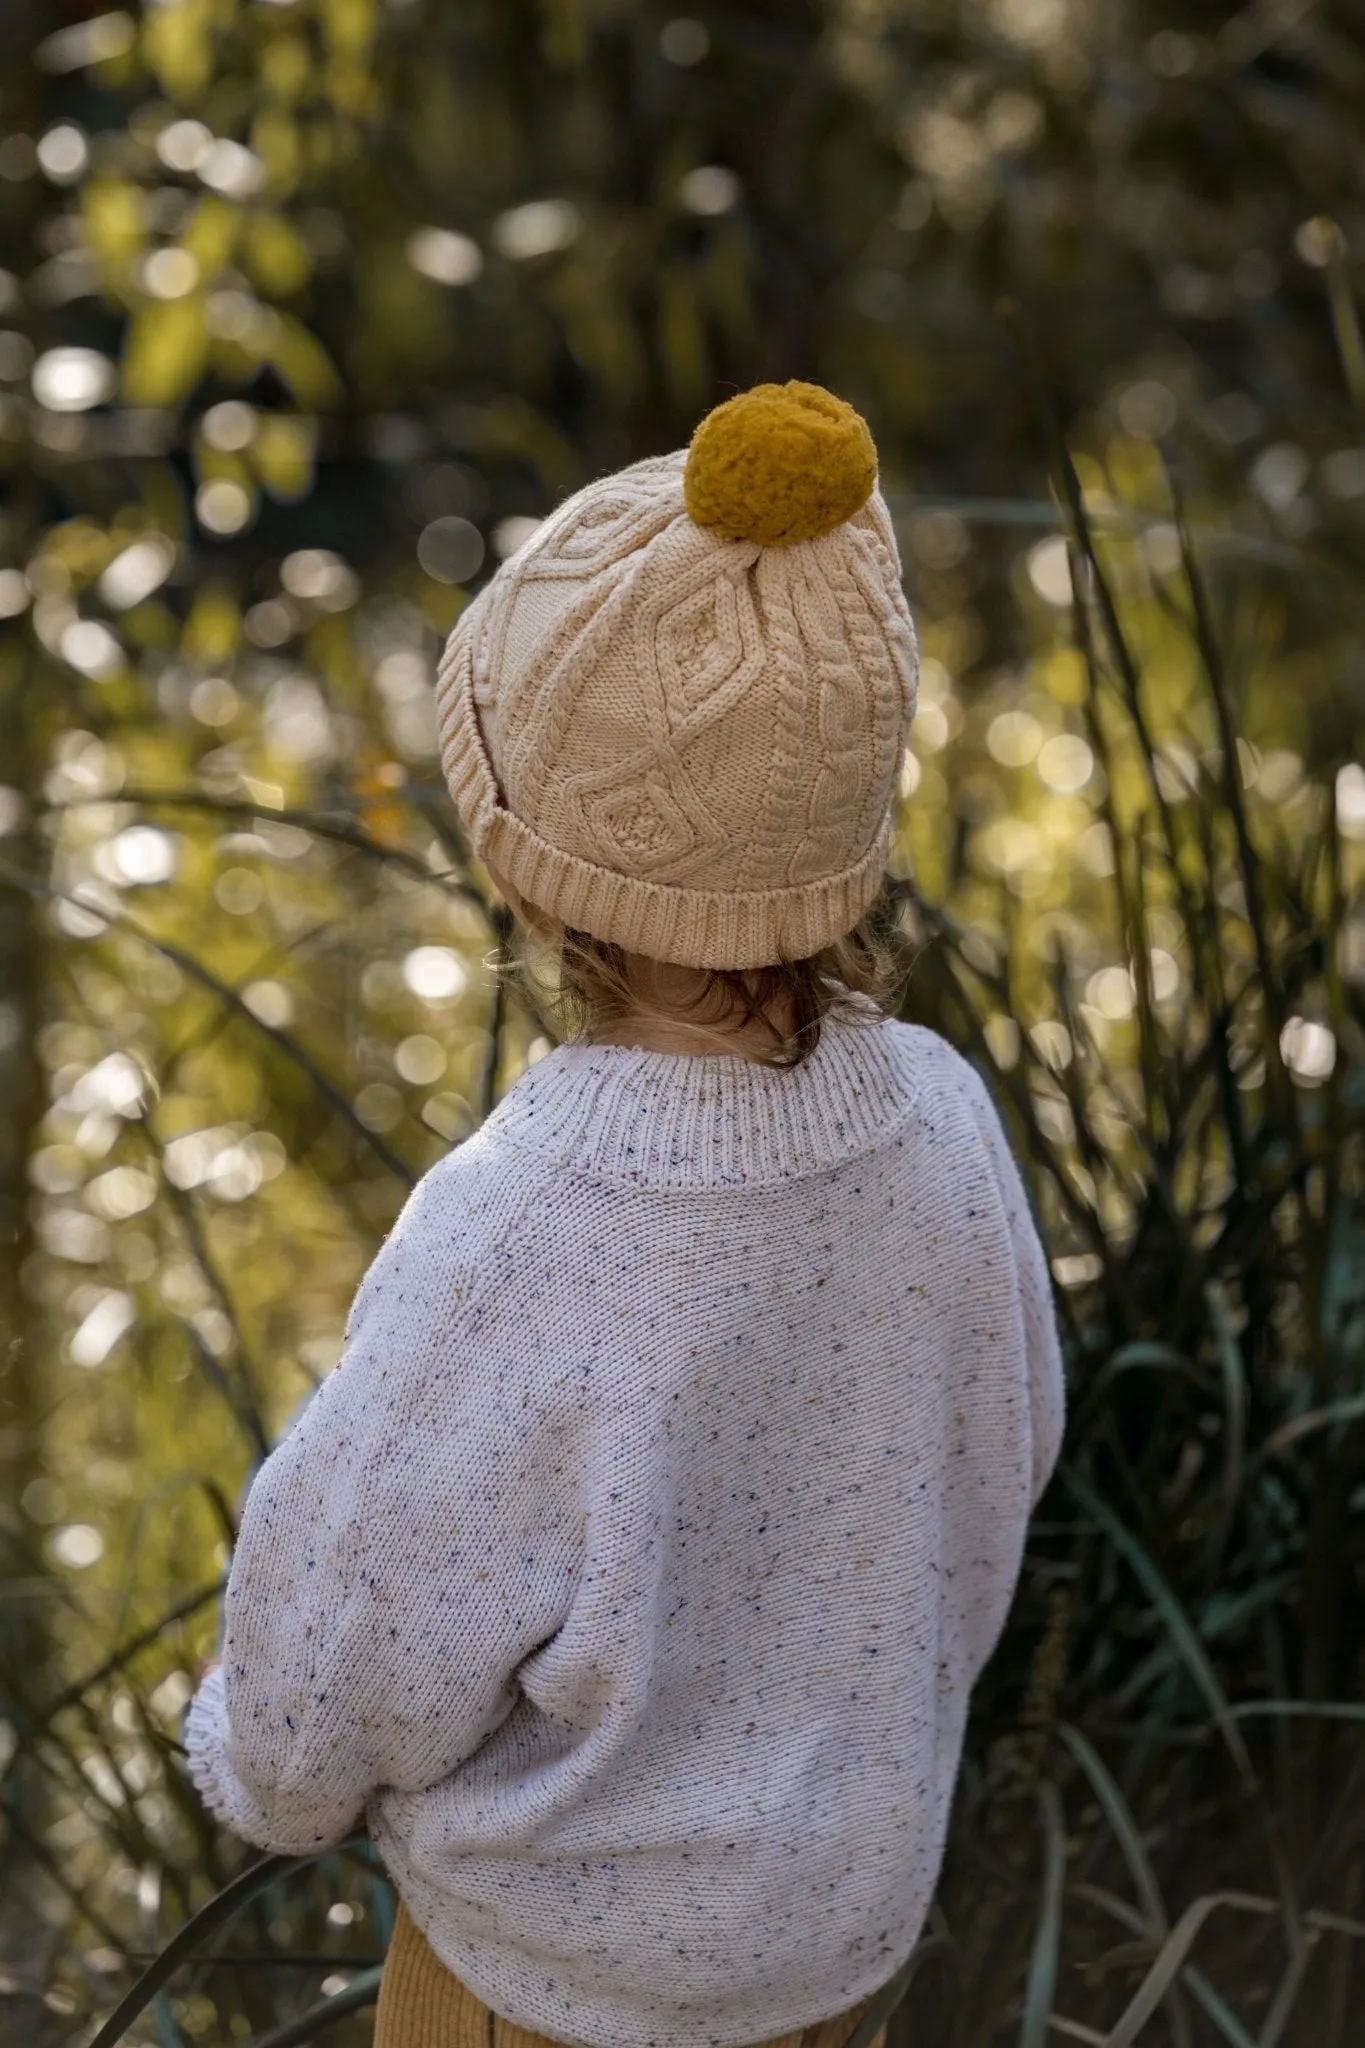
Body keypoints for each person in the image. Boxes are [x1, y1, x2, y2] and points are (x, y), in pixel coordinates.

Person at [184, 381, 1066, 2048]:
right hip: (840, 1955)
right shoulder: (944, 1123)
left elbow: (324, 1690)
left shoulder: (522, 1228)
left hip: (546, 1998)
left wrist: (248, 1750)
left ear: (529, 864)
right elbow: (989, 1474)